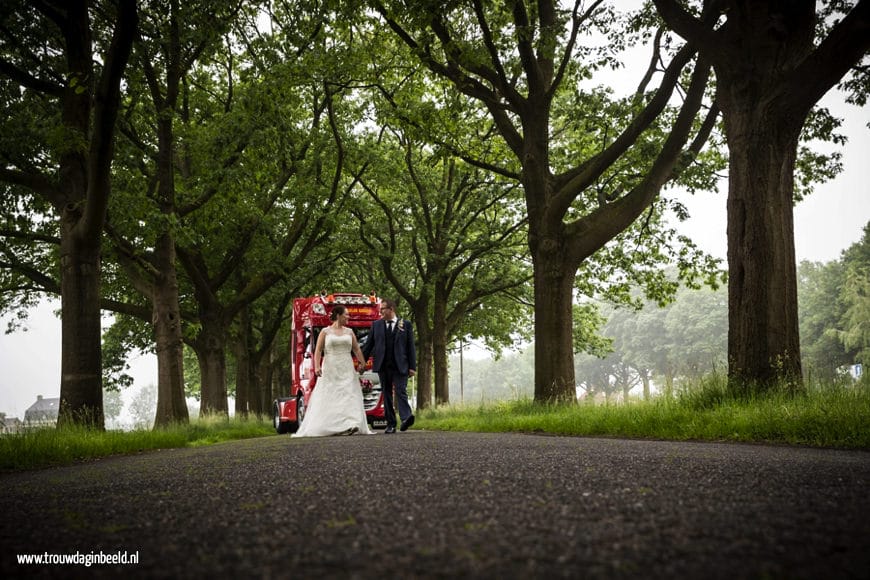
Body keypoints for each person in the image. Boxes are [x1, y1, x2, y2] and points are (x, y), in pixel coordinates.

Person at [292, 305, 373, 437]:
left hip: (346, 367)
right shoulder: (325, 332)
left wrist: (363, 363)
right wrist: (317, 366)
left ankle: (351, 423)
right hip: (330, 367)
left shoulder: (349, 332)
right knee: (331, 395)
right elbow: (318, 350)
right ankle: (332, 425)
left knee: (349, 394)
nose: (348, 317)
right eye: (346, 314)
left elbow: (356, 349)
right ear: (338, 315)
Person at [361, 298, 416, 434]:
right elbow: (368, 346)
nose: (381, 312)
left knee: (401, 390)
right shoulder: (376, 325)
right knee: (386, 394)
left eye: (383, 309)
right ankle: (391, 424)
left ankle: (405, 418)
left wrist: (412, 367)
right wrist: (362, 362)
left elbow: (410, 347)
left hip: (400, 365)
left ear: (391, 309)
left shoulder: (406, 325)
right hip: (383, 365)